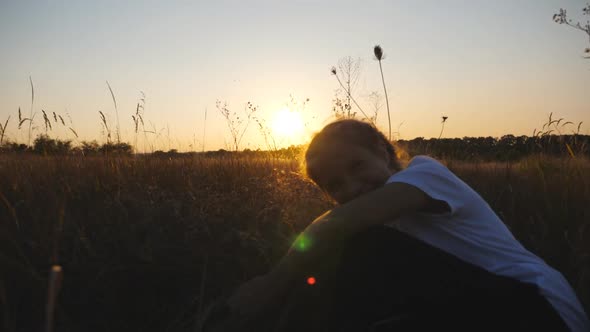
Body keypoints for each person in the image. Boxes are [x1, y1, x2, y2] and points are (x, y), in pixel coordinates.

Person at [206, 119, 589, 331]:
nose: (351, 187)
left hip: (539, 308)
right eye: (334, 185)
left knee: (354, 246)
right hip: (486, 309)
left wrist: (269, 287)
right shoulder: (392, 224)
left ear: (384, 151)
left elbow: (335, 226)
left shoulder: (426, 173)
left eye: (356, 167)